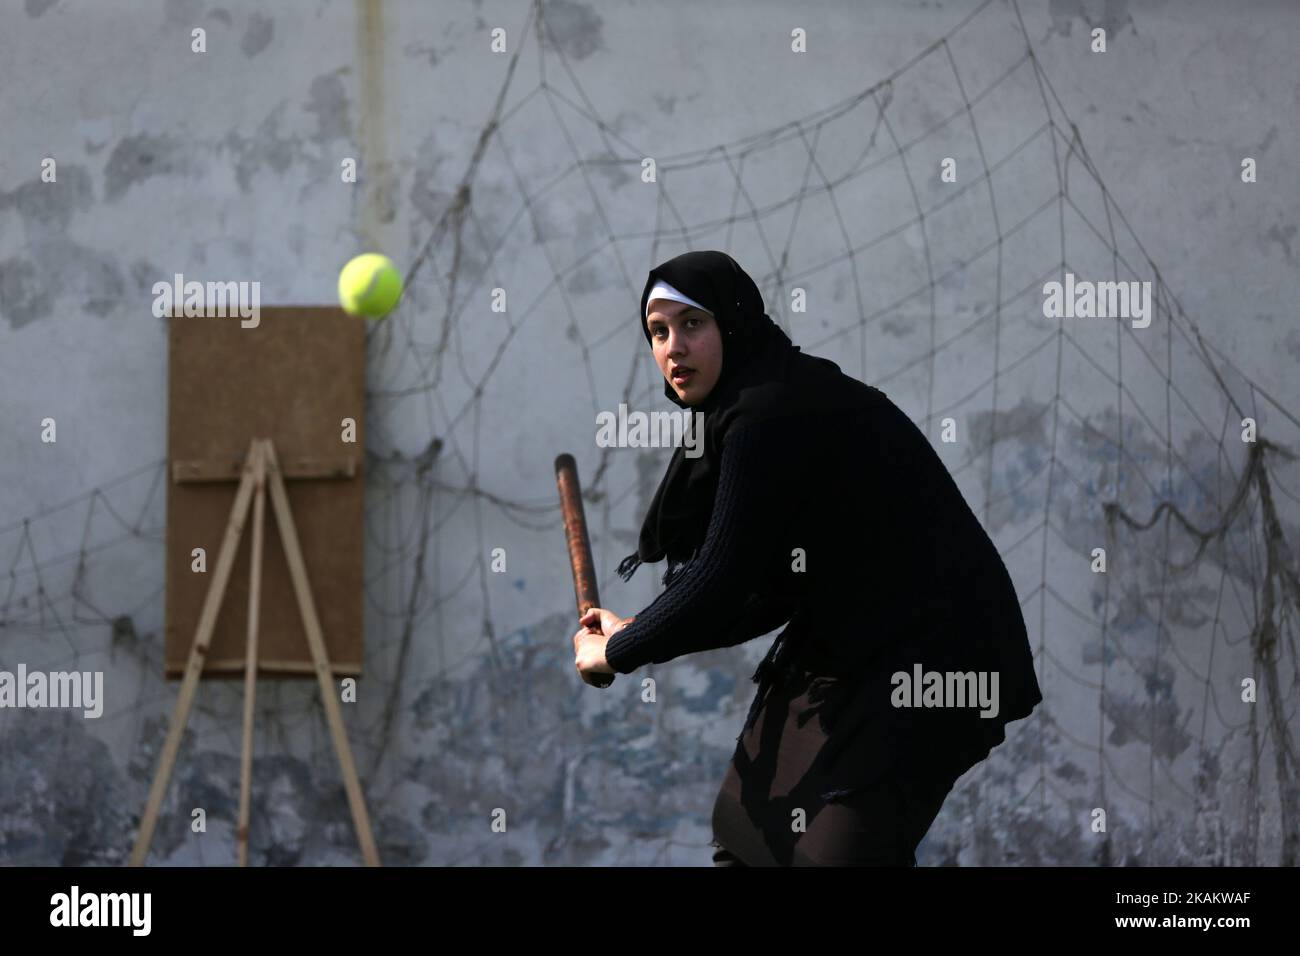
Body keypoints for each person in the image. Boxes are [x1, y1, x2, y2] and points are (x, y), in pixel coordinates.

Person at [571, 250, 1042, 866]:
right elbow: (765, 592)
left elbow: (719, 580)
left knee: (836, 855)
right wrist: (639, 631)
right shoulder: (740, 412)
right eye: (658, 332)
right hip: (848, 639)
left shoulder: (770, 410)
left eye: (692, 324)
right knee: (747, 831)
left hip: (938, 655)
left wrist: (619, 651)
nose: (673, 347)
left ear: (733, 324)